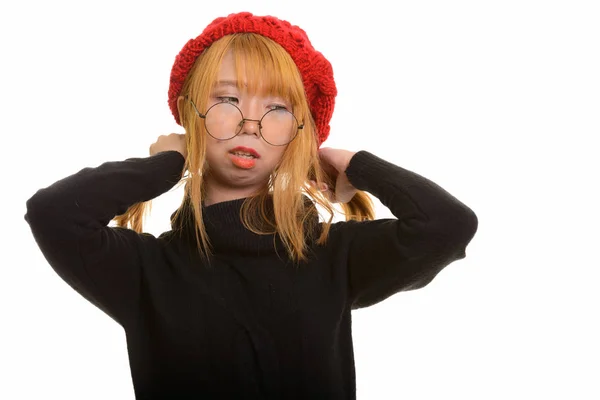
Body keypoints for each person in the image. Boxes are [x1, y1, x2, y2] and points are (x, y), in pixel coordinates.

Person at [24, 11, 478, 400]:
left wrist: (353, 163)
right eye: (226, 99)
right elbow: (53, 213)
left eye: (278, 107)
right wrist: (167, 164)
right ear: (190, 114)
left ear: (298, 134)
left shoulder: (332, 256)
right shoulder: (146, 270)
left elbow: (447, 226)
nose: (251, 124)